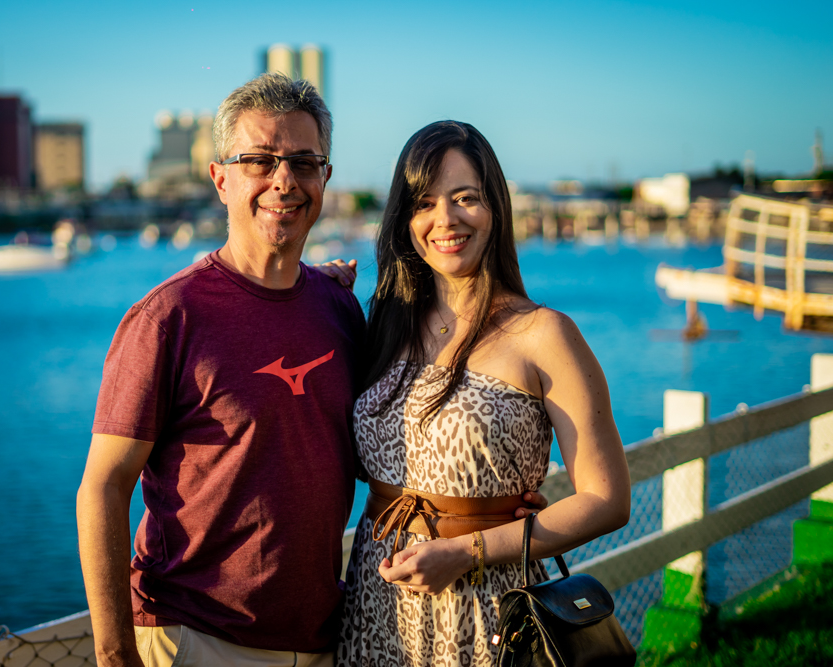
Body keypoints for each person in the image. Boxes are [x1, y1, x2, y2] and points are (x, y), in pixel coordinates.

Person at [76, 74, 366, 667]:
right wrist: (115, 655)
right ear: (221, 179)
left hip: (322, 640)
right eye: (259, 160)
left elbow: (370, 449)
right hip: (196, 639)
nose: (284, 181)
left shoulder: (339, 308)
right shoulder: (169, 317)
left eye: (304, 163)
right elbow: (104, 488)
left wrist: (488, 505)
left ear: (325, 179)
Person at [336, 121, 632, 667]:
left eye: (465, 198)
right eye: (424, 202)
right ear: (405, 219)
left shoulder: (546, 335)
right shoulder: (382, 325)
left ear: (495, 207)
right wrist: (318, 292)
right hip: (376, 607)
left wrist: (467, 548)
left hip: (488, 610)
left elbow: (607, 501)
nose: (445, 219)